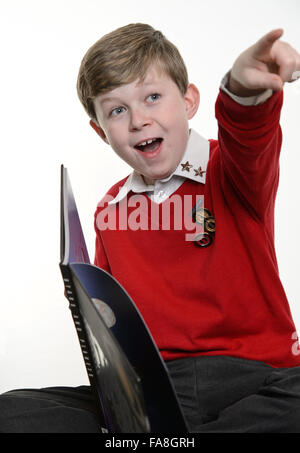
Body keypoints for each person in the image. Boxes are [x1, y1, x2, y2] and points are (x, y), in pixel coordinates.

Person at [1, 23, 300, 433]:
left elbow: (250, 134)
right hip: (154, 390)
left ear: (189, 100)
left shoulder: (229, 171)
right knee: (13, 411)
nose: (139, 120)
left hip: (251, 379)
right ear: (100, 131)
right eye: (117, 111)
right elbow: (111, 321)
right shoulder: (110, 209)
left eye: (153, 97)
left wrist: (242, 91)